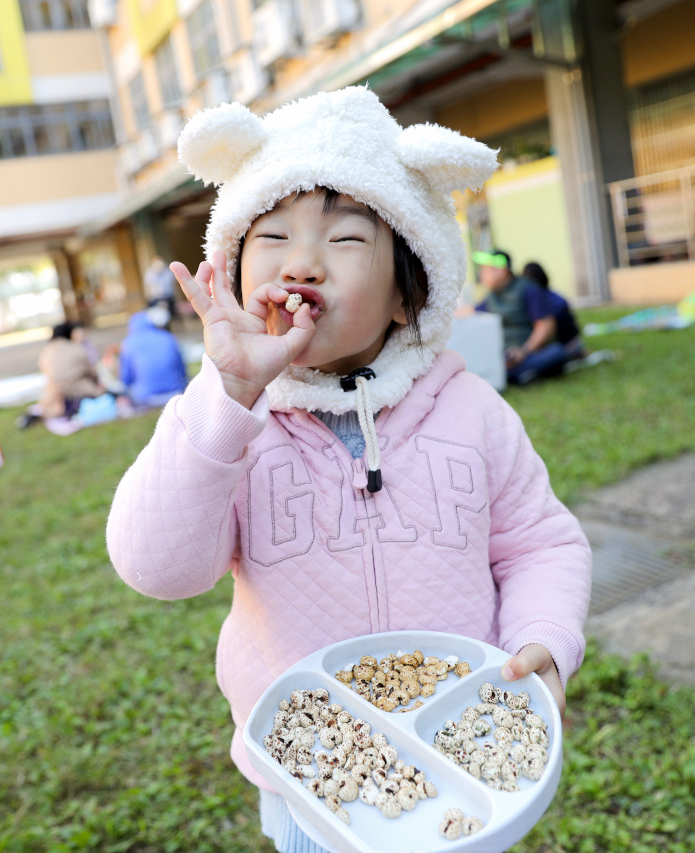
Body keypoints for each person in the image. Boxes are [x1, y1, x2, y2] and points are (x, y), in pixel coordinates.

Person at [105, 88, 591, 852]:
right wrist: (227, 395)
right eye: (271, 235)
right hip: (314, 782)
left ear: (406, 292)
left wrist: (544, 637)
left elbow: (540, 544)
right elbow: (157, 569)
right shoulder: (235, 426)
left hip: (464, 766)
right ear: (233, 270)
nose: (301, 262)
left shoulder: (474, 415)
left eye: (344, 241)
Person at [474, 252, 586, 386]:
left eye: (486, 270)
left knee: (556, 353)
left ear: (502, 270)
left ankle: (511, 374)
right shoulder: (492, 296)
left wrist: (523, 351)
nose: (482, 275)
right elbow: (471, 311)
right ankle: (517, 375)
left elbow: (545, 326)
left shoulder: (528, 289)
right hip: (504, 356)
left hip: (529, 352)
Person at [21, 322, 107, 427]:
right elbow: (92, 373)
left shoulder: (46, 351)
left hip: (55, 394)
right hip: (79, 391)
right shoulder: (76, 348)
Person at [118, 305, 189, 409]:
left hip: (145, 398)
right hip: (176, 393)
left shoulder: (128, 344)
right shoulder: (168, 337)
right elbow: (182, 368)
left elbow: (125, 378)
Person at [143, 255, 178, 321]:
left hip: (168, 296)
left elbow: (171, 282)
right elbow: (148, 285)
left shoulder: (168, 271)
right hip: (155, 298)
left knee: (173, 313)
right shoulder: (149, 272)